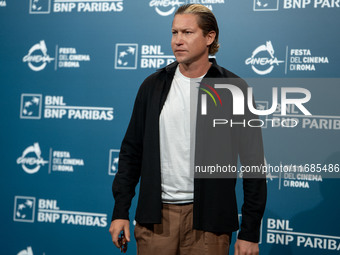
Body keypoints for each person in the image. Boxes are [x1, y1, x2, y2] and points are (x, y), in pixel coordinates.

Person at [109, 4, 266, 255]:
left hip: (209, 225)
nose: (178, 41)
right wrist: (120, 212)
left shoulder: (235, 89)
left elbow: (253, 164)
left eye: (187, 33)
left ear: (210, 37)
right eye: (174, 33)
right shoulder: (152, 86)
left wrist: (249, 232)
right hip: (156, 221)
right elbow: (131, 152)